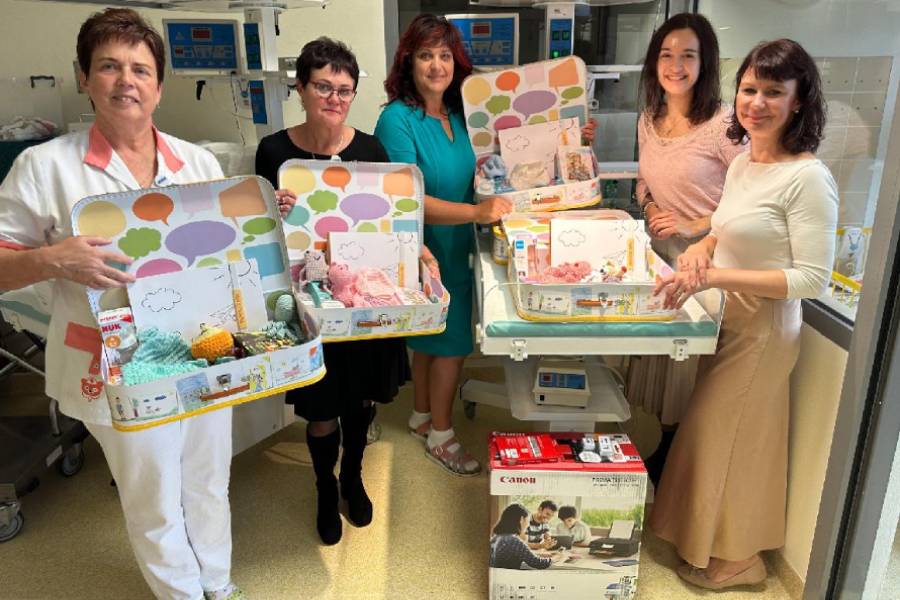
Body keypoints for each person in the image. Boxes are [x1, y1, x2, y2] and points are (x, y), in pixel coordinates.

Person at [0, 9, 245, 600]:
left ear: (159, 86)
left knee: (209, 479)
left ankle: (219, 583)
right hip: (116, 365)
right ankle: (182, 594)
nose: (126, 81)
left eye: (140, 69)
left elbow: (226, 255)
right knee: (153, 494)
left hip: (204, 349)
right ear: (84, 77)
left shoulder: (197, 164)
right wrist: (52, 259)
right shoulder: (46, 167)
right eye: (109, 66)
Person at [648, 39, 837, 590]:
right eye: (749, 89)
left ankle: (741, 561)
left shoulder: (807, 178)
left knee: (723, 438)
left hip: (765, 330)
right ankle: (719, 547)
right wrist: (702, 248)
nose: (756, 103)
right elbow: (725, 228)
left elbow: (811, 279)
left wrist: (714, 277)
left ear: (799, 101)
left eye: (773, 92)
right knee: (725, 439)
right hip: (729, 319)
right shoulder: (745, 163)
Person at [375, 14, 596, 476]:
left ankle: (421, 416)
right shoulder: (396, 120)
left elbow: (508, 154)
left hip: (458, 241)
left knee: (433, 338)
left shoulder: (459, 116)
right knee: (451, 344)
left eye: (444, 55)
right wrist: (476, 213)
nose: (436, 65)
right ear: (408, 62)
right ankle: (442, 436)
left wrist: (570, 138)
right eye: (425, 55)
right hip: (423, 246)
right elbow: (403, 199)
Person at [255, 37, 410, 546]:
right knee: (321, 406)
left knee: (361, 400)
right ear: (301, 88)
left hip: (362, 301)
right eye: (323, 87)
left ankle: (353, 476)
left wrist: (419, 252)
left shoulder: (370, 151)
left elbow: (391, 224)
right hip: (308, 304)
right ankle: (325, 486)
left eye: (344, 90)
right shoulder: (275, 152)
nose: (334, 98)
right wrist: (271, 211)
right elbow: (258, 236)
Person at [627, 13, 746, 484]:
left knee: (691, 368)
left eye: (688, 55)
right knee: (665, 363)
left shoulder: (724, 125)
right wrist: (652, 206)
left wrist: (694, 223)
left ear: (705, 63)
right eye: (666, 54)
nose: (675, 65)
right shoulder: (648, 119)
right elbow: (642, 183)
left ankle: (682, 463)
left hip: (709, 262)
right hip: (664, 256)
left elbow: (750, 196)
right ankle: (668, 447)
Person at [490, 504, 566, 570]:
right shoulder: (513, 540)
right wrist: (557, 557)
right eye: (527, 520)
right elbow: (538, 563)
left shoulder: (496, 538)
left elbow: (522, 553)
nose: (528, 524)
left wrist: (544, 554)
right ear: (521, 519)